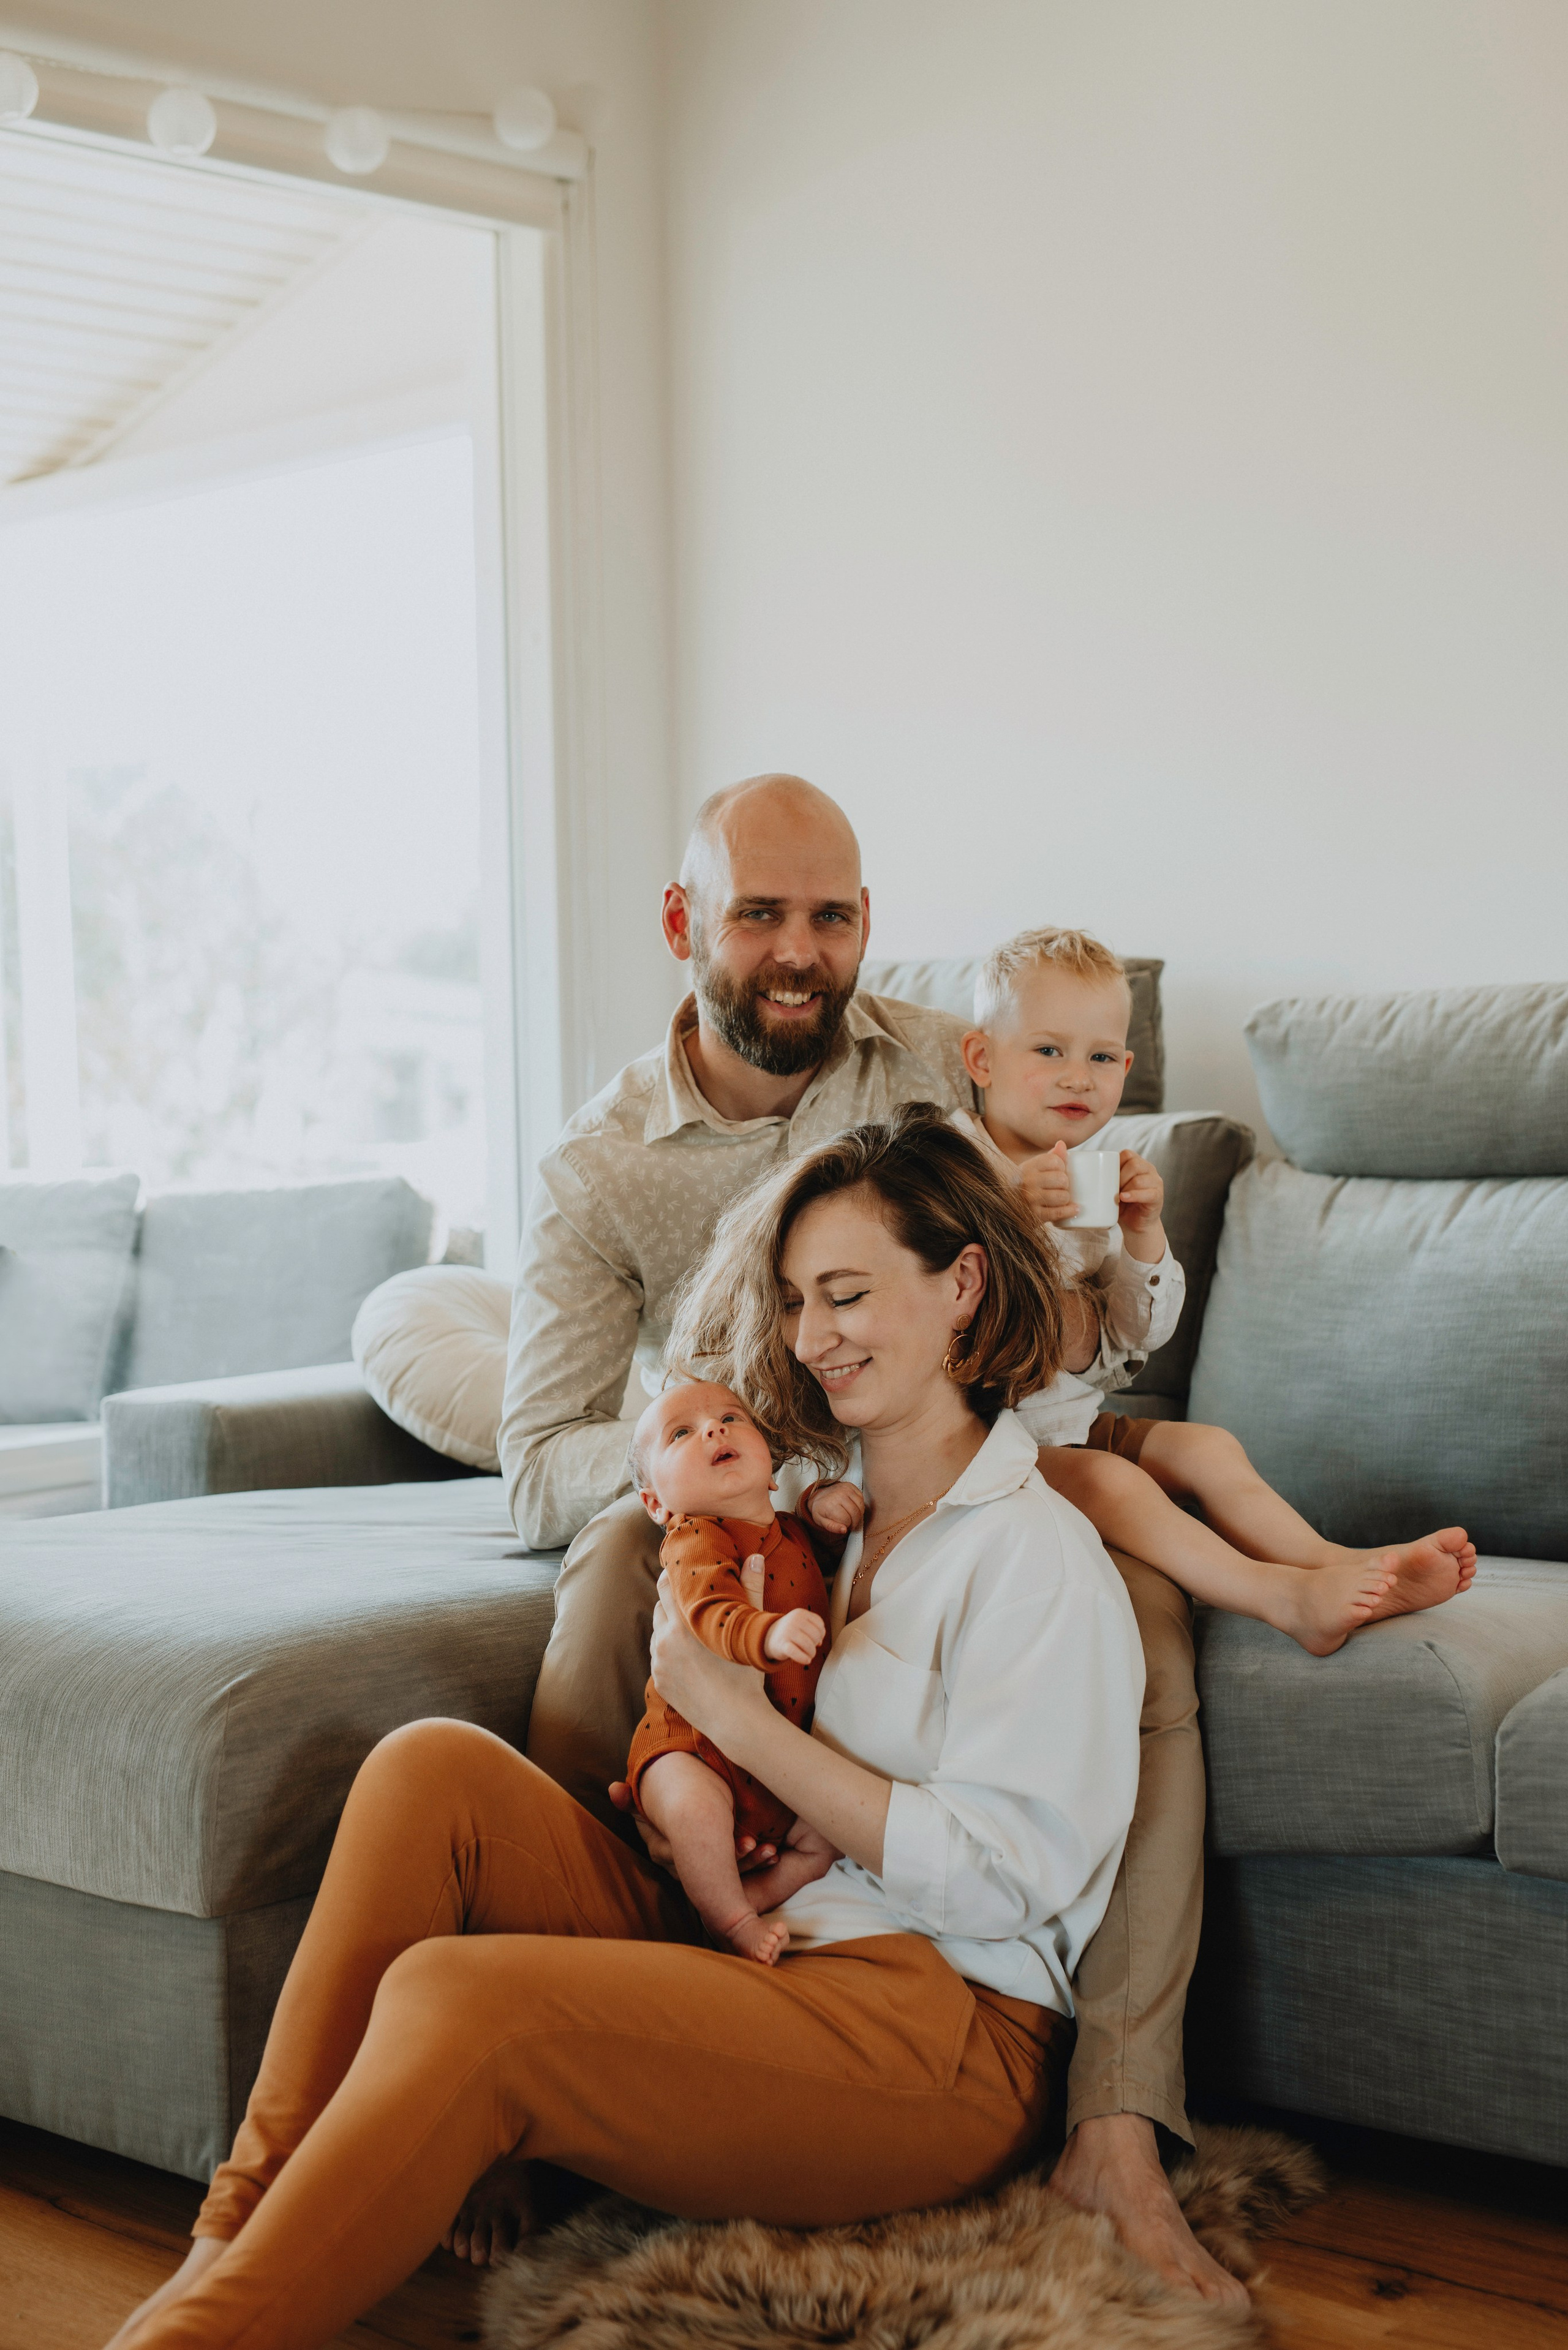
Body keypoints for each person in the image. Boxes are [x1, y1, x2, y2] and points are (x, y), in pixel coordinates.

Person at [101, 1109, 1143, 2350]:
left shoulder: (1035, 1558)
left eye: (849, 1293)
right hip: (763, 1941)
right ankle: (225, 2250)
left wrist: (735, 1727)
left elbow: (1006, 1875)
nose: (811, 1338)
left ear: (961, 1282)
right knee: (428, 1764)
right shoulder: (820, 1525)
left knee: (461, 1997)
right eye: (799, 1298)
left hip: (941, 2030)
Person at [502, 773, 1248, 2306]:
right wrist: (723, 1471)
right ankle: (615, 1992)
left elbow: (1066, 1131)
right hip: (743, 1486)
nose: (798, 951)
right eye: (757, 914)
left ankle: (1111, 2119)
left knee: (1146, 1623)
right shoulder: (599, 1164)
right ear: (679, 926)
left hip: (950, 1455)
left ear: (865, 929)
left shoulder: (931, 1052)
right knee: (597, 1592)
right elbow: (534, 1460)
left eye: (830, 917)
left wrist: (1079, 1199)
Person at [957, 924, 1477, 1652]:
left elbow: (1134, 1338)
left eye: (1101, 1056)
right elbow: (921, 1284)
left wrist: (1142, 1234)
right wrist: (1007, 1203)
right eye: (1049, 1050)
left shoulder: (1096, 1182)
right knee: (1116, 1487)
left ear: (1126, 1067)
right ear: (981, 1057)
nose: (1079, 1076)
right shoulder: (945, 1165)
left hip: (1067, 1423)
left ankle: (1339, 1562)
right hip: (980, 1444)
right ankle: (1286, 1599)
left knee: (1207, 1448)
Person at [623, 1378, 846, 1962]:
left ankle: (758, 1889)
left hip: (774, 1761)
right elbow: (709, 1609)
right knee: (696, 1810)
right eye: (682, 1433)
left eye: (730, 1417)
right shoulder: (694, 1537)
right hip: (692, 1747)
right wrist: (766, 1633)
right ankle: (733, 1920)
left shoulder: (789, 1530)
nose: (714, 1430)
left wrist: (819, 1508)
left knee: (828, 1838)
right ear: (657, 1503)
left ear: (772, 1470)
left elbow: (824, 1553)